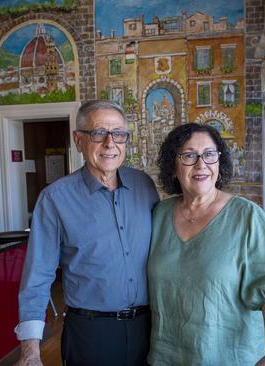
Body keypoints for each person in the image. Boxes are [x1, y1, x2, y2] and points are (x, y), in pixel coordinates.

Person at [14, 100, 159, 366]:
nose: (109, 143)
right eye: (98, 133)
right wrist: (30, 351)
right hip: (90, 334)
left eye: (118, 134)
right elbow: (37, 276)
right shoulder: (55, 199)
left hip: (150, 329)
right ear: (78, 140)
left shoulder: (144, 186)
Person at [147, 123, 265, 366]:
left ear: (219, 162)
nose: (201, 164)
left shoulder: (247, 216)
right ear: (173, 165)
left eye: (209, 154)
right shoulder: (159, 215)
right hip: (166, 356)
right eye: (189, 155)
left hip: (229, 357)